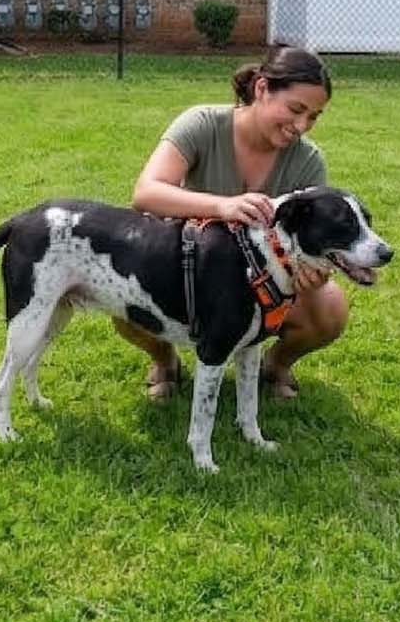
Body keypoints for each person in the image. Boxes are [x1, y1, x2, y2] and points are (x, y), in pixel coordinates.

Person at [118, 42, 340, 402]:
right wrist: (223, 207)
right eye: (296, 109)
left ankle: (277, 365)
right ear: (262, 89)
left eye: (313, 117)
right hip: (193, 275)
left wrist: (312, 272)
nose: (302, 126)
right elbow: (146, 192)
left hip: (266, 283)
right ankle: (165, 360)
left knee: (329, 308)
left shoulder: (308, 161)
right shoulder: (203, 124)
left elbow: (316, 238)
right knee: (125, 296)